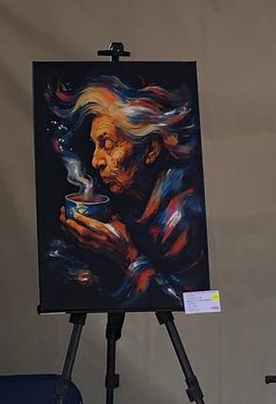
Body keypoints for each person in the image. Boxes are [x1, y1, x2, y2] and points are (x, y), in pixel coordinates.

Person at [53, 78, 207, 306]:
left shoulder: (183, 215)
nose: (95, 161)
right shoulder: (134, 202)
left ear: (150, 149)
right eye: (95, 146)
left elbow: (192, 303)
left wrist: (127, 256)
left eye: (107, 144)